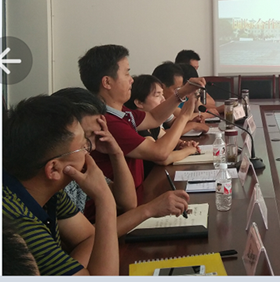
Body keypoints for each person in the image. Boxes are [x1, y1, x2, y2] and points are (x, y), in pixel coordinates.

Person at [3, 95, 118, 276]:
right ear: (54, 169)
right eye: (83, 146)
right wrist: (105, 200)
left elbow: (89, 236)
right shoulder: (15, 220)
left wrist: (78, 272)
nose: (89, 151)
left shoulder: (46, 188)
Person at [52, 87, 191, 236]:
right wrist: (149, 210)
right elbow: (88, 239)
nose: (91, 147)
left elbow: (128, 203)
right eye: (86, 137)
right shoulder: (58, 181)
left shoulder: (82, 165)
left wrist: (116, 153)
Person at [78, 44, 203, 204]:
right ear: (107, 82)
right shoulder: (107, 121)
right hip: (119, 208)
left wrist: (183, 92)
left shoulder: (120, 111)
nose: (131, 79)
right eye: (126, 73)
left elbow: (154, 117)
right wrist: (184, 115)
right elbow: (159, 153)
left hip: (137, 196)